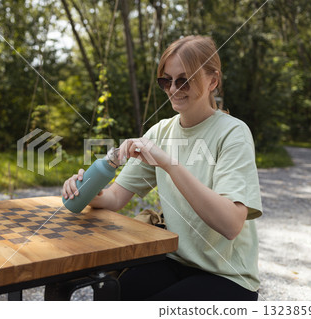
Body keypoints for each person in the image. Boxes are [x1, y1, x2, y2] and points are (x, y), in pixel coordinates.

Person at [62, 35, 263, 301]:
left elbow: (230, 225)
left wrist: (169, 164)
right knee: (114, 294)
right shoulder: (161, 132)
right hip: (175, 261)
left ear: (213, 81)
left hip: (227, 276)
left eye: (184, 80)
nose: (173, 89)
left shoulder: (233, 133)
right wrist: (87, 188)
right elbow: (116, 198)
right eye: (166, 80)